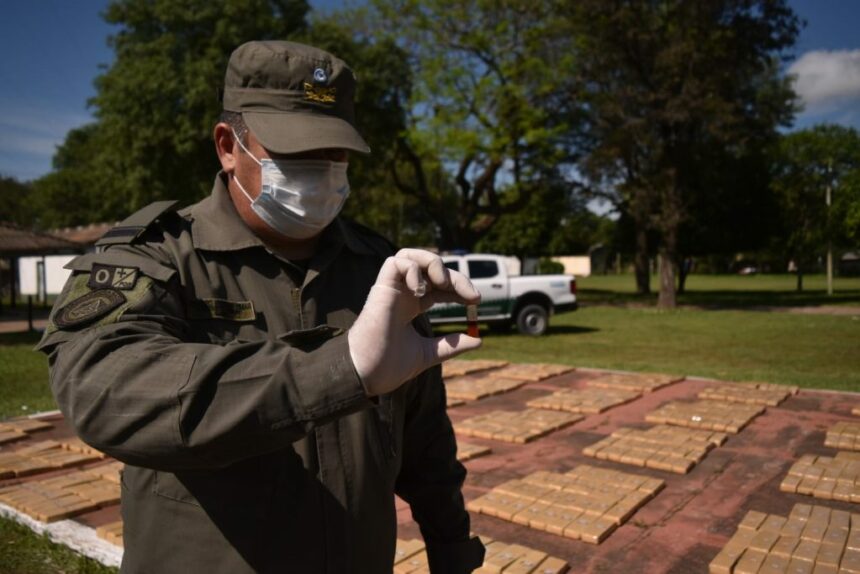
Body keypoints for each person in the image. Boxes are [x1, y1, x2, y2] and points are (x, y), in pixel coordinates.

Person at [37, 40, 486, 573]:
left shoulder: (378, 269)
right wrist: (341, 370)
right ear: (228, 146)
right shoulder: (157, 258)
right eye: (295, 152)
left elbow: (424, 439)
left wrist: (452, 549)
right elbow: (102, 389)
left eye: (335, 153)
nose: (322, 171)